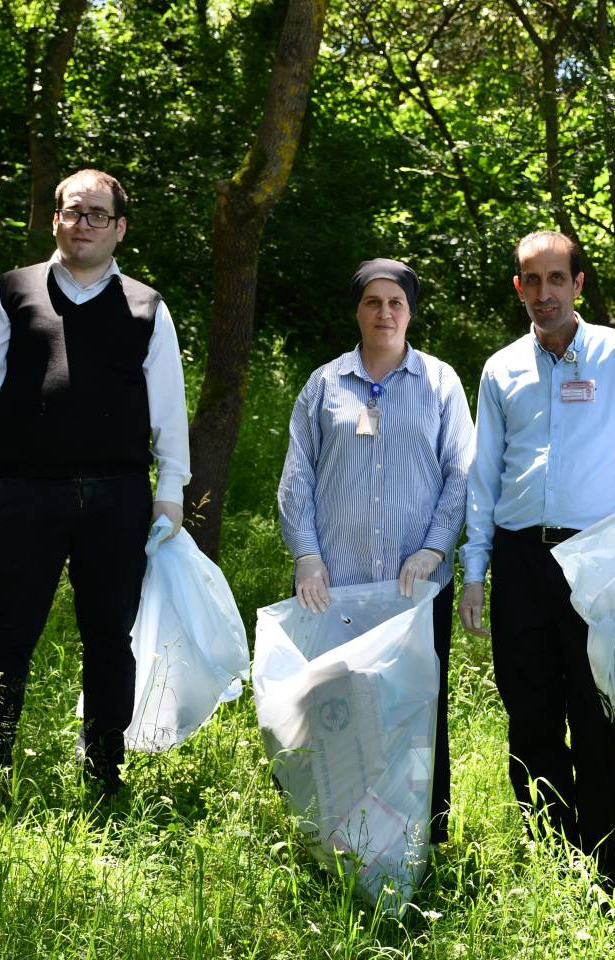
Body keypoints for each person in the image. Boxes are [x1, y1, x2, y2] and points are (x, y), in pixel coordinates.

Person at [459, 230, 615, 887]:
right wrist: (476, 571)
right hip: (518, 561)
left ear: (578, 284)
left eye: (556, 280)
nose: (544, 294)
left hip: (597, 560)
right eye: (531, 281)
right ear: (518, 288)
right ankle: (553, 862)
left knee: (598, 718)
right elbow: (482, 479)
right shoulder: (500, 369)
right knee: (531, 713)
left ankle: (604, 868)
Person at [0, 168, 190, 801]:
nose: (84, 224)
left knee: (110, 639)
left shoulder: (147, 307)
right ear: (55, 219)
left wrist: (172, 490)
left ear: (119, 227)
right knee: (8, 633)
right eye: (73, 212)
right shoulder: (12, 292)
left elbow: (170, 408)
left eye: (97, 215)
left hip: (118, 497)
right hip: (29, 491)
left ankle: (105, 775)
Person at [276, 257, 474, 844]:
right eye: (373, 302)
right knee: (337, 705)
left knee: (415, 709)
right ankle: (337, 832)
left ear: (410, 311)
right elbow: (298, 475)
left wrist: (435, 550)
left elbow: (460, 474)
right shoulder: (324, 385)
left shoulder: (439, 384)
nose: (384, 313)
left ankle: (420, 839)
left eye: (396, 303)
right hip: (334, 586)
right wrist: (307, 554)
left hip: (413, 588)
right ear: (357, 310)